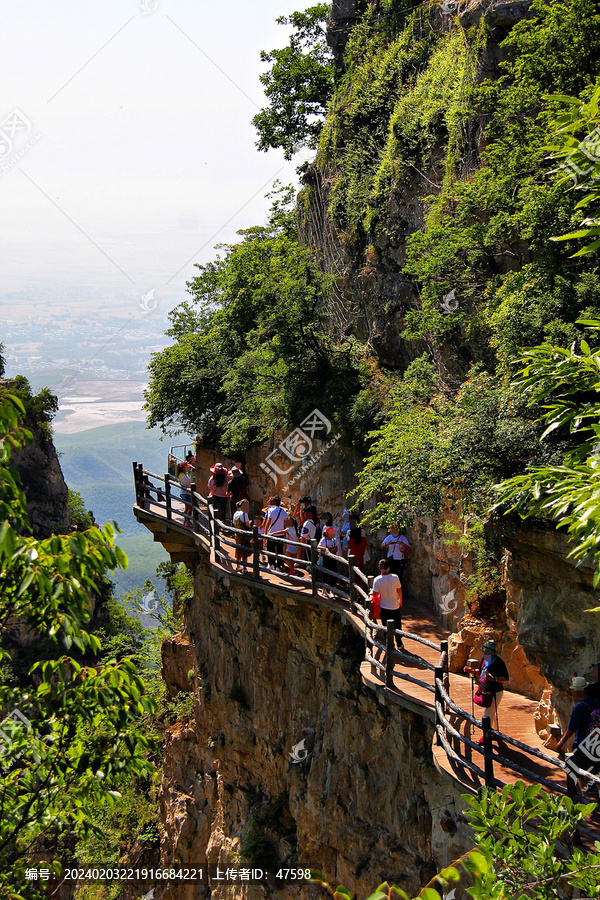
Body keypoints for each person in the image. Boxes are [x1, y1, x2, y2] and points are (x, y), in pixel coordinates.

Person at [556, 676, 600, 794]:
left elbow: (571, 729)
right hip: (596, 744)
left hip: (582, 746)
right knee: (596, 774)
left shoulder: (579, 707)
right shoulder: (596, 702)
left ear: (579, 691)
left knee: (580, 774)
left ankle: (584, 801)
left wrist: (561, 743)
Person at [465, 639, 509, 739]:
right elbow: (481, 673)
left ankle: (486, 736)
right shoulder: (484, 660)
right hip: (486, 691)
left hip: (496, 692)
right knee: (491, 713)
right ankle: (495, 732)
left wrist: (494, 679)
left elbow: (506, 679)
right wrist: (471, 671)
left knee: (487, 715)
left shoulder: (498, 662)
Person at [372, 558, 404, 652]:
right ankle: (399, 643)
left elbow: (375, 594)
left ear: (379, 568)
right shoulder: (395, 577)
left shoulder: (377, 580)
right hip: (395, 605)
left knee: (385, 626)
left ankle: (388, 644)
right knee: (398, 625)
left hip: (384, 606)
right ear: (389, 568)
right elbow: (399, 590)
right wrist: (400, 600)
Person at [263, 497, 287, 570]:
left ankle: (271, 564)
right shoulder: (283, 511)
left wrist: (265, 531)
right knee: (280, 550)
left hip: (271, 533)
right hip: (280, 533)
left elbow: (268, 521)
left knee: (271, 549)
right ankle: (279, 565)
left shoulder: (271, 510)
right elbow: (286, 521)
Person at [317, 526, 340, 596]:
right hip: (326, 560)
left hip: (333, 560)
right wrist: (325, 549)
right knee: (325, 574)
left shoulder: (334, 540)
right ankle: (324, 590)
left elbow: (336, 549)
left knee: (333, 574)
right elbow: (318, 546)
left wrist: (334, 550)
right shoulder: (323, 540)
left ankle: (332, 591)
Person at [232, 499, 252, 571]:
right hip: (244, 534)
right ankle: (244, 567)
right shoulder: (244, 514)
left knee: (238, 550)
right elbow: (247, 524)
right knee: (244, 552)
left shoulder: (236, 513)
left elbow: (234, 523)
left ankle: (238, 566)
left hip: (237, 534)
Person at [177, 463, 192, 527]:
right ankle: (187, 521)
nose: (189, 468)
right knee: (190, 508)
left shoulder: (181, 475)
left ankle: (185, 521)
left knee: (186, 508)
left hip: (183, 493)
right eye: (187, 467)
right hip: (186, 493)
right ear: (183, 468)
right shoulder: (183, 477)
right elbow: (187, 485)